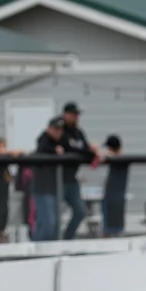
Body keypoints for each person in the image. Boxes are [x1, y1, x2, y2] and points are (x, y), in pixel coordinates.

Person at [57, 101, 92, 239]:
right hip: (57, 178)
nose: (76, 118)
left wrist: (88, 151)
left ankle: (67, 238)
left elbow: (86, 150)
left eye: (77, 115)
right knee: (54, 213)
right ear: (65, 115)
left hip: (72, 178)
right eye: (73, 115)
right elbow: (66, 147)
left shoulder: (78, 133)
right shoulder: (59, 130)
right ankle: (54, 239)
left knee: (80, 211)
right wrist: (78, 151)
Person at [30, 116, 66, 242]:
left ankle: (44, 247)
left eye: (60, 130)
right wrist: (54, 151)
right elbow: (43, 148)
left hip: (55, 188)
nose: (58, 132)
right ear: (49, 129)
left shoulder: (62, 142)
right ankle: (36, 248)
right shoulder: (44, 140)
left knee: (53, 224)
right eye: (55, 129)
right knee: (47, 224)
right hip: (42, 189)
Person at [100, 134, 129, 237]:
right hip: (111, 195)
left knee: (112, 227)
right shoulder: (116, 159)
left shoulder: (121, 159)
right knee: (110, 225)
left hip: (114, 197)